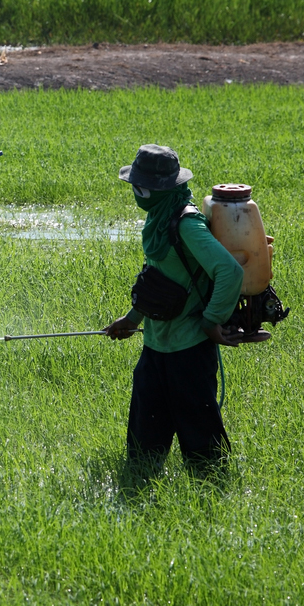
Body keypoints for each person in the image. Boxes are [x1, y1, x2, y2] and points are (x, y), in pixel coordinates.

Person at [103, 144, 245, 477]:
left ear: (161, 188)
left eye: (141, 187)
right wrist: (133, 317)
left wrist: (211, 322)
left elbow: (230, 272)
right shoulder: (159, 217)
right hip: (156, 344)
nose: (137, 194)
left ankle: (212, 493)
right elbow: (158, 279)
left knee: (203, 448)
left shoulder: (186, 224)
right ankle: (140, 483)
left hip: (190, 348)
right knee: (143, 440)